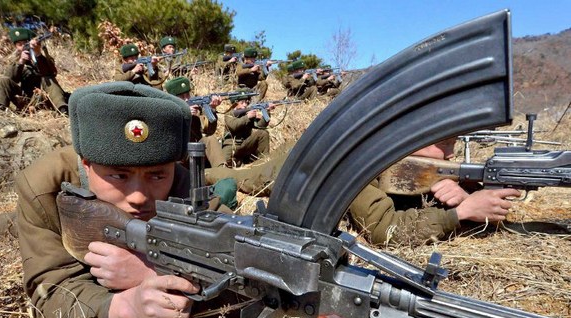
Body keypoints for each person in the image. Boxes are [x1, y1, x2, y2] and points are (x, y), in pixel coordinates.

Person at [15, 82, 236, 318]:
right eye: (119, 175)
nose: (139, 196)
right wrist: (125, 306)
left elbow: (240, 268)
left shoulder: (186, 186)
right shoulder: (44, 188)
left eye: (157, 175)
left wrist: (154, 271)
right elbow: (51, 294)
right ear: (87, 165)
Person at [205, 138, 520, 245]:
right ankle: (205, 150)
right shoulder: (361, 162)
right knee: (237, 178)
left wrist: (468, 193)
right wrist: (461, 213)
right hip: (299, 161)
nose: (451, 154)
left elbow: (423, 181)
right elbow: (383, 229)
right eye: (444, 143)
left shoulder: (414, 165)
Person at [0, 27, 69, 114]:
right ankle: (0, 108)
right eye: (19, 44)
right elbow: (10, 79)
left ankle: (62, 109)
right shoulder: (14, 60)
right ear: (15, 46)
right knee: (3, 81)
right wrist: (21, 62)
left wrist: (38, 54)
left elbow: (52, 73)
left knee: (47, 78)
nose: (23, 46)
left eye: (25, 43)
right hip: (26, 99)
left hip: (45, 96)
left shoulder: (41, 55)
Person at [164, 76, 228, 168]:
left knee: (210, 139)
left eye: (188, 95)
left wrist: (212, 109)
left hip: (196, 153)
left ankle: (222, 170)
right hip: (179, 159)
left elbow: (209, 131)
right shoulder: (167, 113)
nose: (186, 99)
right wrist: (183, 114)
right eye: (182, 97)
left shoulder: (195, 114)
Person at [221, 89, 274, 166]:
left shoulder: (248, 114)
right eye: (242, 102)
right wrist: (247, 117)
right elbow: (234, 126)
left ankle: (264, 162)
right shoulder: (229, 114)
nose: (245, 105)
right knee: (225, 163)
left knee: (263, 133)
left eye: (246, 102)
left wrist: (267, 111)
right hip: (232, 145)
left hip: (245, 145)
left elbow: (261, 125)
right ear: (235, 104)